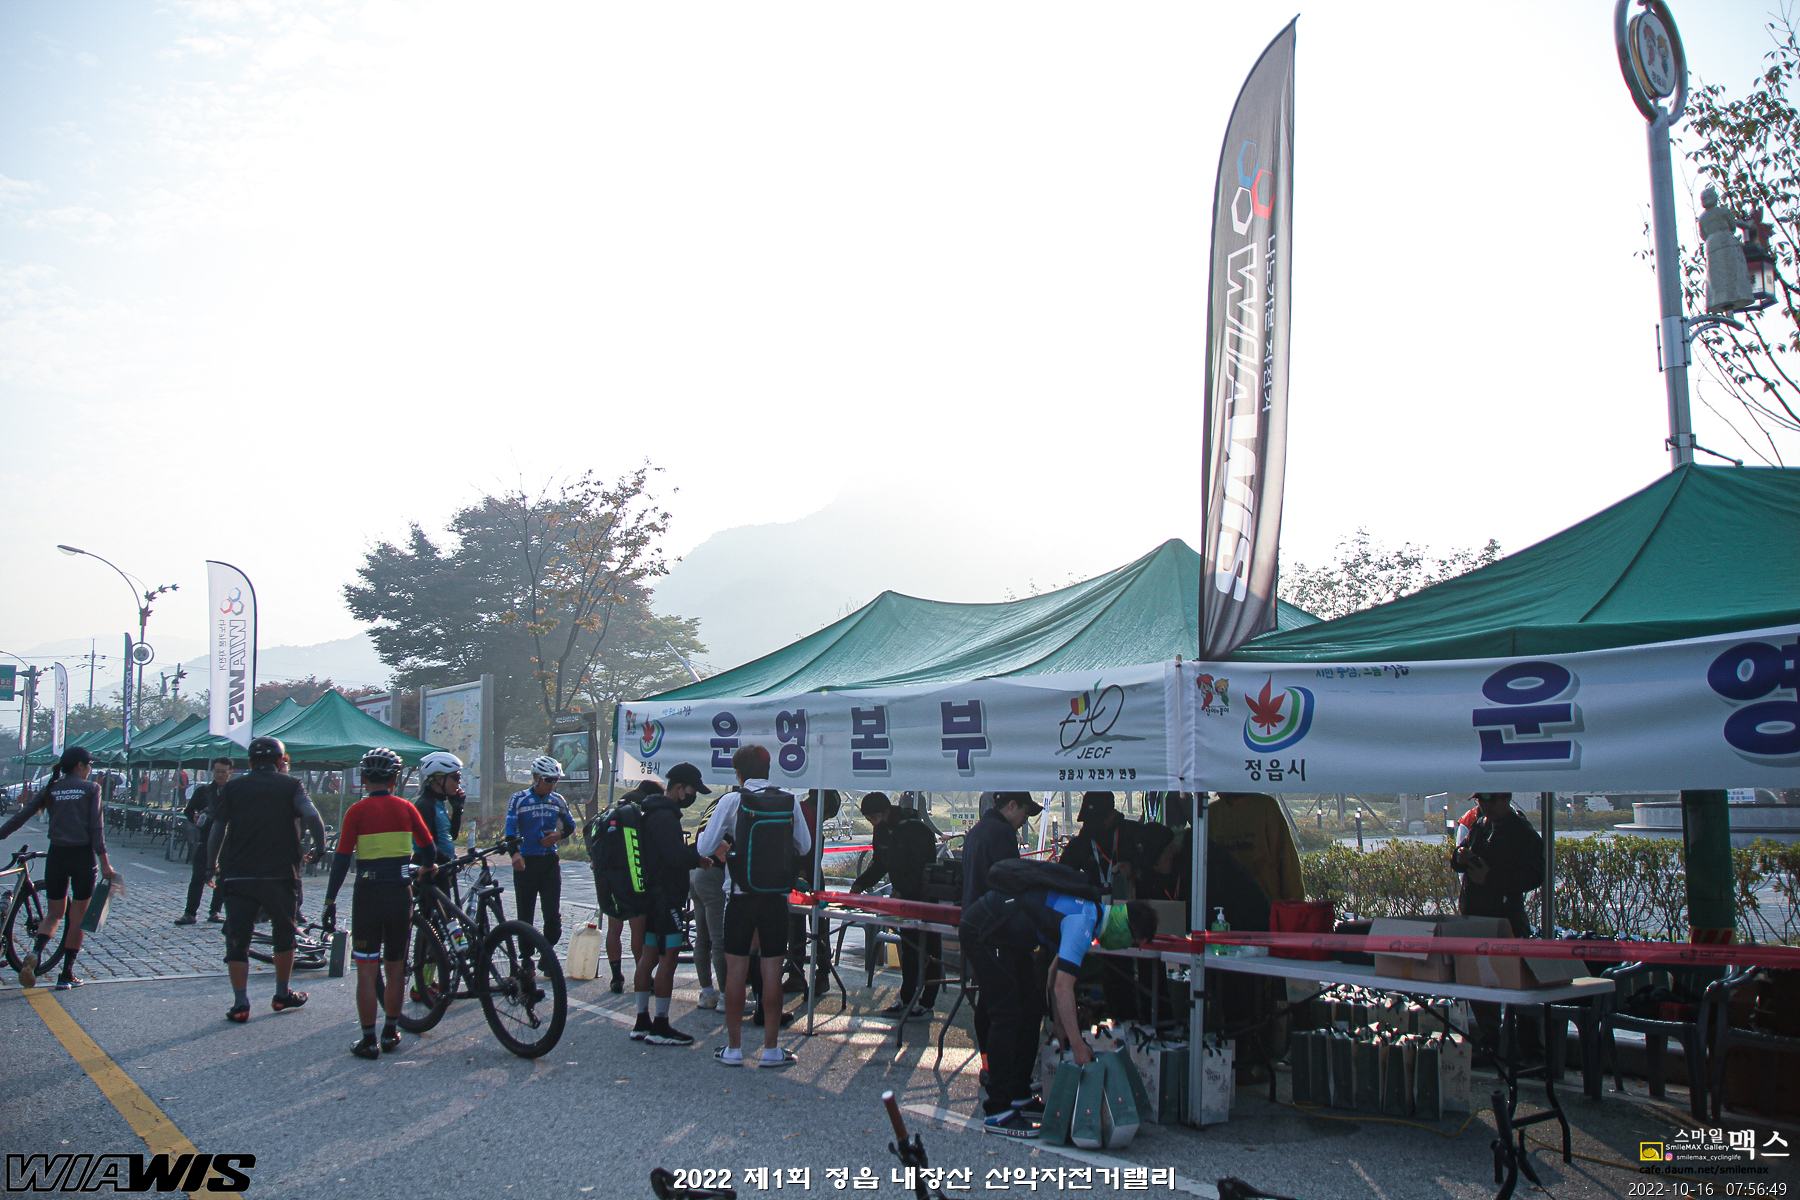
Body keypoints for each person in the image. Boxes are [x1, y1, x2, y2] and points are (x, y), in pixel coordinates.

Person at [959, 870, 1158, 1137]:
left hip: (1005, 934)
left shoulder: (1090, 914)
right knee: (1007, 1014)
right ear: (1126, 929)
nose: (1128, 948)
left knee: (1031, 1007)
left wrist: (1058, 1024)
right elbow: (1064, 988)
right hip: (984, 929)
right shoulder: (1083, 922)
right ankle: (998, 1110)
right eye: (1132, 943)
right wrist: (1078, 1045)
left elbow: (1054, 974)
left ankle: (1018, 1093)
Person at [697, 744, 811, 1068]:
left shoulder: (732, 801)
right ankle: (772, 1050)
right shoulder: (788, 800)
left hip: (740, 896)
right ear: (768, 770)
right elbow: (804, 845)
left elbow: (704, 847)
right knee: (772, 971)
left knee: (736, 970)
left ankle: (734, 1049)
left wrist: (725, 843)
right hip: (776, 898)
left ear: (738, 774)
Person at [319, 748, 436, 1059]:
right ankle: (391, 1032)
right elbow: (429, 849)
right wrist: (425, 868)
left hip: (367, 896)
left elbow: (340, 861)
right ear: (395, 779)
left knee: (367, 971)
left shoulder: (355, 812)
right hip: (399, 894)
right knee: (395, 968)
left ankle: (368, 1040)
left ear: (364, 779)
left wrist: (330, 901)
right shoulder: (406, 808)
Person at [204, 736, 327, 1022]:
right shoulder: (291, 785)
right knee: (284, 933)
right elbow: (312, 816)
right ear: (280, 761)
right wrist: (320, 849)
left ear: (250, 762)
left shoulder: (233, 787)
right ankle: (282, 993)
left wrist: (211, 866)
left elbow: (218, 828)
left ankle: (240, 1003)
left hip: (238, 873)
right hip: (280, 873)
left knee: (237, 938)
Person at [0, 746, 122, 989]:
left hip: (56, 855)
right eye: (89, 764)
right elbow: (96, 828)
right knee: (77, 919)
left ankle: (35, 952)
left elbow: (21, 816)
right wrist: (105, 862)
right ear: (80, 765)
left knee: (54, 914)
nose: (91, 769)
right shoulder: (91, 788)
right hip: (83, 857)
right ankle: (66, 975)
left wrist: (1, 834)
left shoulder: (52, 788)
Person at [1451, 791, 1546, 1058]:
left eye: (1490, 801)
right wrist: (1460, 856)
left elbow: (1535, 876)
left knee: (1520, 983)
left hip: (1507, 918)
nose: (1486, 807)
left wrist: (1491, 879)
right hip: (1475, 917)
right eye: (1481, 802)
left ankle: (1529, 1049)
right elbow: (1459, 859)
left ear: (1506, 799)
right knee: (1479, 983)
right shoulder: (1480, 825)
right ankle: (1490, 1041)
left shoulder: (1522, 831)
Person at [958, 791, 1043, 1085]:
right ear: (1011, 805)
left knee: (989, 1001)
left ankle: (990, 1067)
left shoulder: (977, 831)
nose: (1024, 822)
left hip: (976, 926)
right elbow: (1013, 880)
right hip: (999, 930)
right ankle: (1010, 1077)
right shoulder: (1001, 833)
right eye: (1025, 814)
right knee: (1015, 1007)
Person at [628, 763, 711, 1046]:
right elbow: (674, 857)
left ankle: (642, 1020)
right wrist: (699, 854)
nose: (693, 796)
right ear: (679, 788)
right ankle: (661, 1024)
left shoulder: (651, 811)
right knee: (668, 959)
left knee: (648, 956)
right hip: (666, 899)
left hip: (650, 896)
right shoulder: (665, 816)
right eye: (692, 790)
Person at [850, 792, 940, 1016]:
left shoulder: (916, 829)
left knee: (929, 949)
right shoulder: (881, 831)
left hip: (924, 895)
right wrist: (861, 883)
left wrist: (904, 889)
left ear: (887, 811)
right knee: (908, 948)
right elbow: (880, 864)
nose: (874, 823)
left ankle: (927, 1001)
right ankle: (906, 997)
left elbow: (924, 867)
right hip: (902, 898)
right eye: (869, 820)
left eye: (875, 818)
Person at [506, 756, 577, 970]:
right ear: (536, 777)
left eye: (556, 780)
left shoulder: (558, 799)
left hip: (549, 862)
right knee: (525, 914)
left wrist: (559, 835)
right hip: (526, 862)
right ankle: (526, 958)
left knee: (552, 914)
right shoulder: (519, 798)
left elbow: (571, 824)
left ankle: (548, 951)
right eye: (549, 780)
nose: (553, 784)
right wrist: (514, 854)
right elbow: (510, 830)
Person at [1207, 792, 1306, 902]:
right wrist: (1294, 904)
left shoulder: (1210, 813)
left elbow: (1287, 860)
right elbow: (1288, 864)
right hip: (1265, 903)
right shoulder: (1266, 806)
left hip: (1229, 905)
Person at [175, 757, 233, 926]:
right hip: (205, 839)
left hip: (227, 841)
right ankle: (190, 913)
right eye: (217, 771)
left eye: (223, 772)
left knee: (223, 878)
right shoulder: (203, 791)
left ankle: (215, 911)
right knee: (198, 877)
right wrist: (194, 816)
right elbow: (188, 810)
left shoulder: (234, 791)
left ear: (230, 772)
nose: (220, 775)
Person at [688, 790, 729, 1012]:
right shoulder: (736, 804)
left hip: (696, 870)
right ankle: (725, 996)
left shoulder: (716, 803)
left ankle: (706, 992)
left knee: (702, 938)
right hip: (714, 872)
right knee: (719, 939)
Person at [1058, 792, 1143, 897]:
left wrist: (1134, 871)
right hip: (1092, 902)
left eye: (1098, 819)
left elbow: (1154, 868)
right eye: (1088, 820)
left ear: (1112, 814)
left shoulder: (1132, 832)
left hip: (1129, 901)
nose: (1091, 824)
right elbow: (1062, 875)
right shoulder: (1082, 840)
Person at [413, 750, 466, 880]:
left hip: (442, 868)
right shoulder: (425, 805)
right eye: (455, 777)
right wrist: (449, 860)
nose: (459, 782)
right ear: (439, 779)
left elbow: (451, 835)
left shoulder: (439, 803)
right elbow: (426, 842)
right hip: (429, 870)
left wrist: (457, 809)